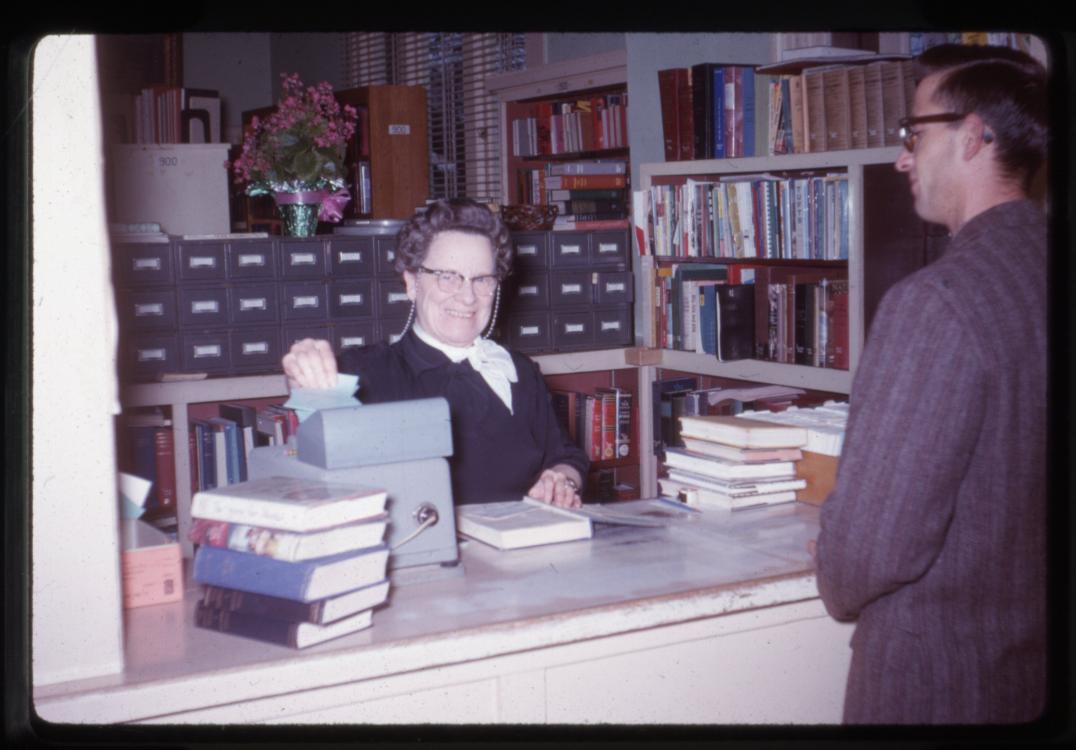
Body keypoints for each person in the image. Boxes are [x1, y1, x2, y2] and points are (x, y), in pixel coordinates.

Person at [813, 43, 1049, 724]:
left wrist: (836, 562)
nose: (901, 158)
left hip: (938, 685)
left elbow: (867, 550)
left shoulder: (936, 301)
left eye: (913, 134)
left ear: (975, 135)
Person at [283, 198, 588, 508]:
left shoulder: (518, 372)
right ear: (412, 283)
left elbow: (566, 457)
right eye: (447, 276)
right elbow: (319, 419)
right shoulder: (364, 373)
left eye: (482, 279)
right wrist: (307, 372)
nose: (467, 296)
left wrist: (561, 481)